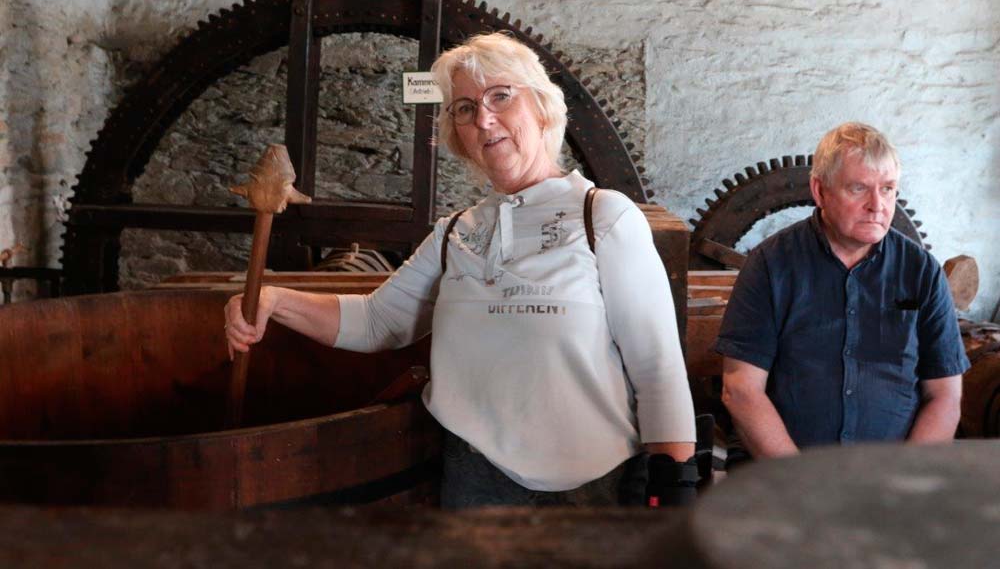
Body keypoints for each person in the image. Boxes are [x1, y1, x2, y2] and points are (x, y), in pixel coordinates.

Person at [225, 32, 697, 507]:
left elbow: (656, 362)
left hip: (592, 488)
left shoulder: (603, 216)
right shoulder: (455, 233)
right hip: (475, 482)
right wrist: (273, 299)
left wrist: (673, 483)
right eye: (465, 109)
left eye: (501, 96)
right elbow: (377, 321)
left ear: (541, 107)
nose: (484, 119)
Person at [717, 122, 969, 458]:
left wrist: (907, 477)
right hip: (786, 473)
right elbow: (740, 389)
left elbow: (945, 395)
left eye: (888, 189)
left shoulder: (922, 271)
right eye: (858, 188)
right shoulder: (770, 265)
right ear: (820, 191)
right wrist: (799, 478)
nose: (877, 205)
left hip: (893, 475)